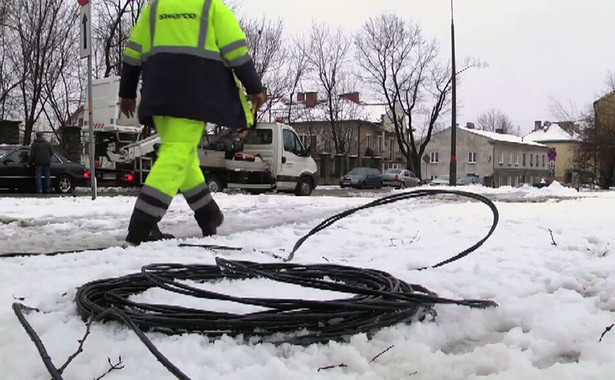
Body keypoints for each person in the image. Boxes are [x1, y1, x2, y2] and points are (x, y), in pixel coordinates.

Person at [119, 0, 267, 245]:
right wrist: (255, 89)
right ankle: (141, 227)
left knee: (182, 154)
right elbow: (237, 53)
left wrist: (127, 91)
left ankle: (207, 213)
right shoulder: (212, 8)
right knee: (176, 155)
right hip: (193, 97)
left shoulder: (155, 9)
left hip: (158, 95)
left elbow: (133, 53)